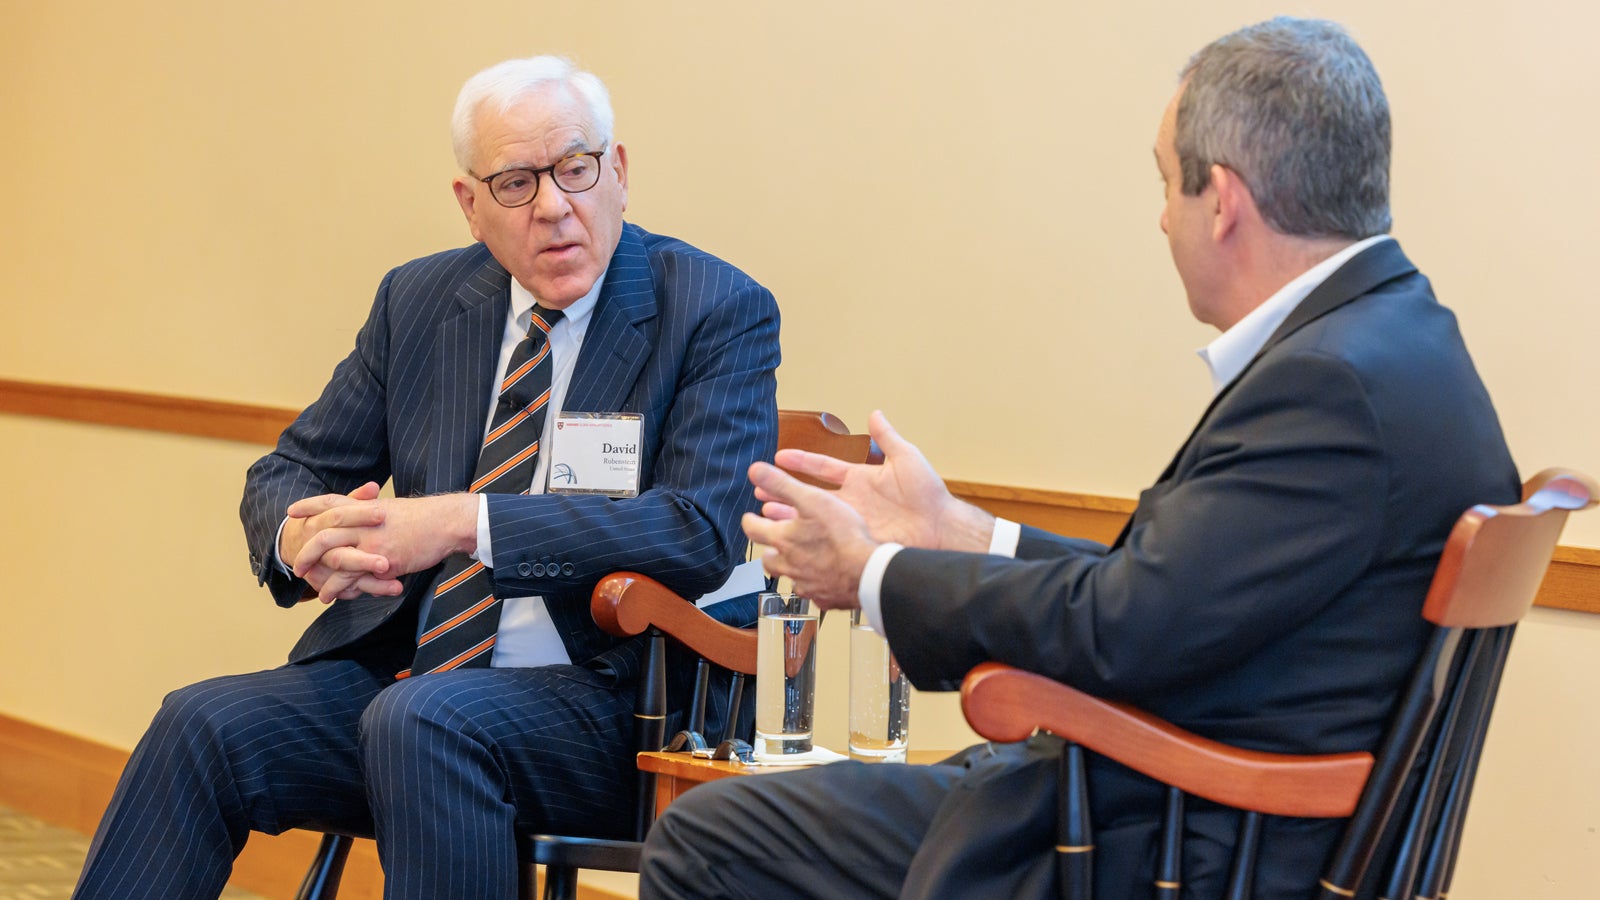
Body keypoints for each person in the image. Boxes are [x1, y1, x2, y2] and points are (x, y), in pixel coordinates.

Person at [640, 17, 1518, 899]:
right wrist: (960, 532)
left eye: (1167, 183)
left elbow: (1122, 628)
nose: (1160, 216)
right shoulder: (1399, 342)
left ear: (1224, 201)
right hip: (1200, 807)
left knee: (706, 838)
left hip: (1175, 842)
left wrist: (873, 574)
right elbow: (1171, 595)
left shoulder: (1331, 387)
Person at [75, 56, 779, 900]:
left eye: (576, 169)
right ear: (471, 205)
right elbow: (290, 467)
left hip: (615, 708)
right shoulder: (419, 302)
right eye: (516, 182)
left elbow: (697, 530)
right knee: (202, 724)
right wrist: (303, 535)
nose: (554, 206)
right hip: (408, 678)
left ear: (618, 172)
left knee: (423, 723)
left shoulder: (712, 307)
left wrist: (458, 521)